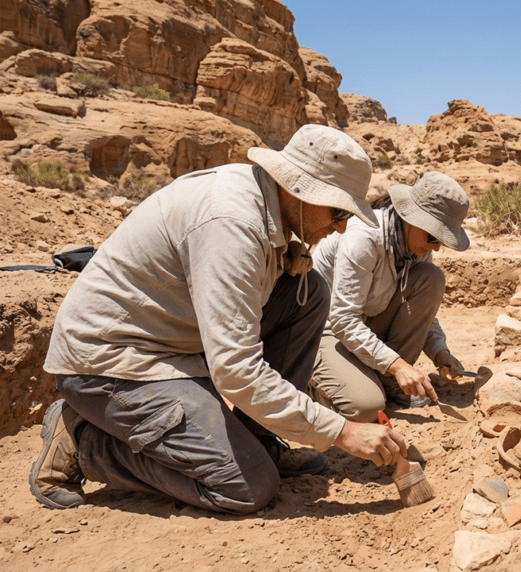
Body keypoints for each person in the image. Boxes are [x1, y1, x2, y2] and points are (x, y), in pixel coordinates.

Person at [31, 125, 409, 515]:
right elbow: (236, 371)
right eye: (338, 212)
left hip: (172, 344)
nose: (341, 227)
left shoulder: (263, 204)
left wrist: (283, 258)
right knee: (248, 487)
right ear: (300, 189)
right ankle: (84, 443)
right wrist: (341, 431)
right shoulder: (231, 221)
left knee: (308, 292)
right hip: (114, 364)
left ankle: (259, 440)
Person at [308, 171, 469, 420]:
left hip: (364, 321)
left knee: (431, 277)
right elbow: (342, 320)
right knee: (366, 406)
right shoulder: (363, 238)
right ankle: (310, 385)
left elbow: (418, 310)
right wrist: (398, 365)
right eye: (434, 237)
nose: (436, 246)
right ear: (412, 218)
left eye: (442, 241)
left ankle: (387, 381)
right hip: (325, 330)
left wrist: (440, 352)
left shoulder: (416, 244)